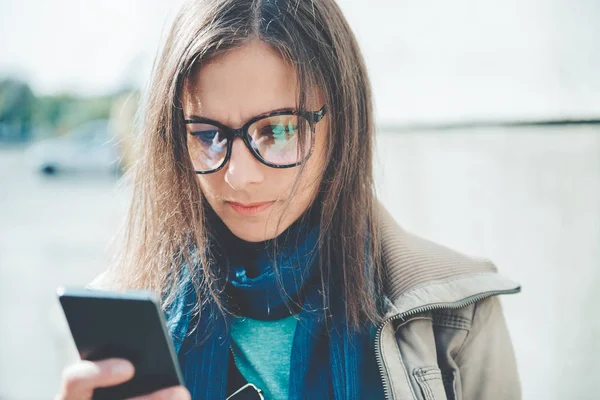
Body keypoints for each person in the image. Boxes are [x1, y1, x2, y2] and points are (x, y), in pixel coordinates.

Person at [56, 0, 522, 399]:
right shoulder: (120, 319)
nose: (239, 176)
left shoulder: (455, 314)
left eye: (277, 130)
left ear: (341, 124)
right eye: (207, 135)